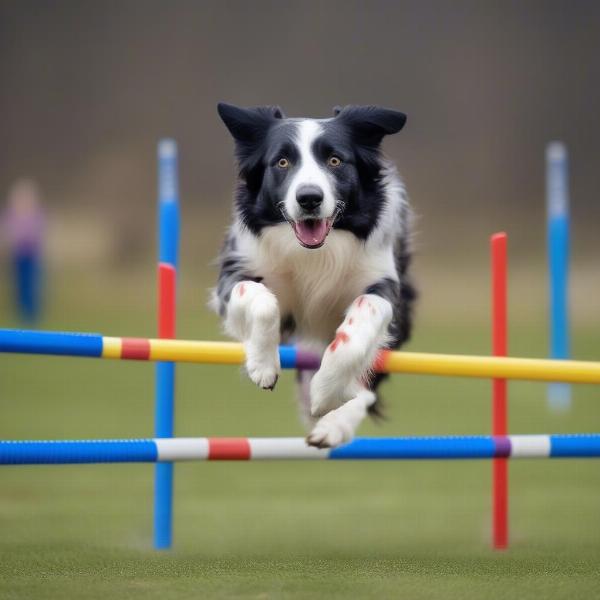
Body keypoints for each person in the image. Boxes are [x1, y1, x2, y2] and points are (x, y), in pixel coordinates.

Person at [1, 179, 45, 324]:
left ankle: (32, 314)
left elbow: (39, 233)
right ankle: (21, 312)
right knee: (19, 285)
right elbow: (8, 231)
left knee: (31, 285)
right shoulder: (11, 214)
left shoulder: (36, 214)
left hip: (31, 256)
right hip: (17, 255)